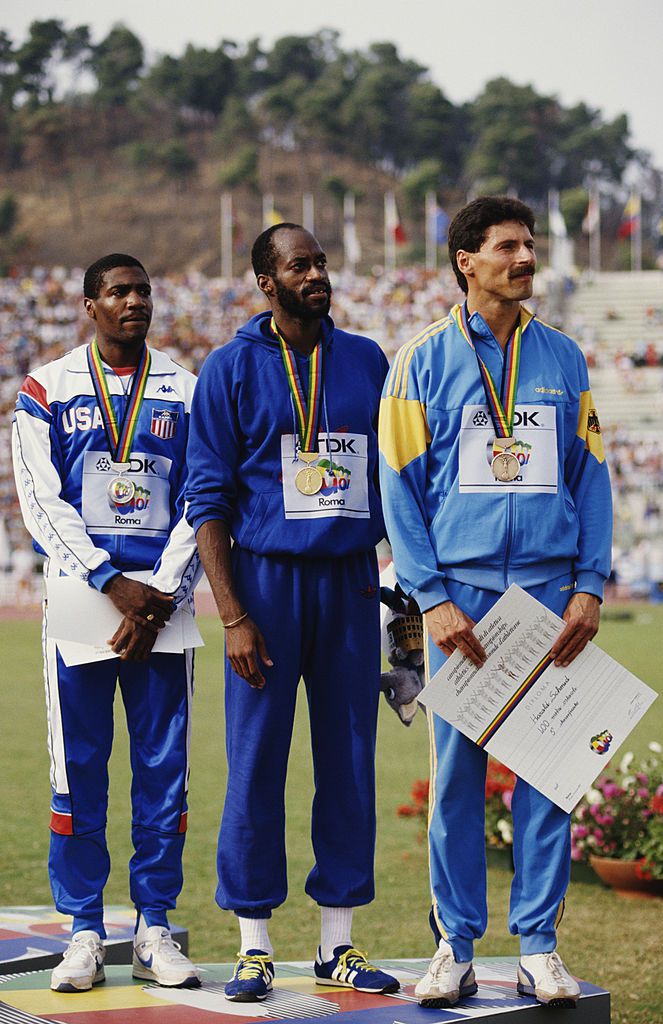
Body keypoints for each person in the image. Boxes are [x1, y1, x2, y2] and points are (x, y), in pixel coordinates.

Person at [379, 197, 612, 1009]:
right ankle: (455, 944)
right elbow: (399, 492)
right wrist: (433, 600)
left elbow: (591, 478)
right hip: (464, 601)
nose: (525, 257)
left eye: (528, 244)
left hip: (550, 589)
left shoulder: (562, 358)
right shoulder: (418, 362)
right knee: (455, 779)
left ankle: (539, 947)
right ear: (465, 262)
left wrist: (589, 583)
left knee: (549, 775)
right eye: (507, 246)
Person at [185, 224, 398, 1003]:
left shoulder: (366, 360)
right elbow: (206, 499)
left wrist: (398, 602)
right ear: (265, 284)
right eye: (299, 265)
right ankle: (252, 946)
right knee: (255, 763)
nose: (317, 274)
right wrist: (234, 615)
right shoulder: (230, 367)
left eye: (320, 262)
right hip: (264, 585)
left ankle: (336, 943)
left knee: (348, 759)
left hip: (347, 580)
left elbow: (398, 480)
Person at [12, 254, 201, 993]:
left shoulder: (186, 389)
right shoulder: (46, 387)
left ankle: (154, 926)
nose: (135, 302)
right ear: (89, 305)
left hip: (163, 605)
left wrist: (156, 592)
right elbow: (39, 498)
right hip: (84, 600)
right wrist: (108, 581)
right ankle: (85, 930)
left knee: (164, 773)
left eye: (144, 291)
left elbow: (200, 496)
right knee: (78, 771)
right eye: (118, 292)